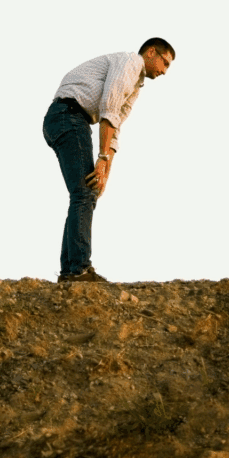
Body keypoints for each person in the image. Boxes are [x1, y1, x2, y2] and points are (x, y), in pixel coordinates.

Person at [43, 38, 175, 282]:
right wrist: (102, 158)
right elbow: (109, 105)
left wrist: (106, 168)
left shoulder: (136, 85)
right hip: (68, 116)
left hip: (67, 119)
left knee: (84, 193)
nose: (165, 71)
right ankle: (78, 269)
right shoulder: (130, 62)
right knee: (84, 193)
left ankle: (70, 270)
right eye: (164, 62)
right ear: (151, 52)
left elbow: (116, 124)